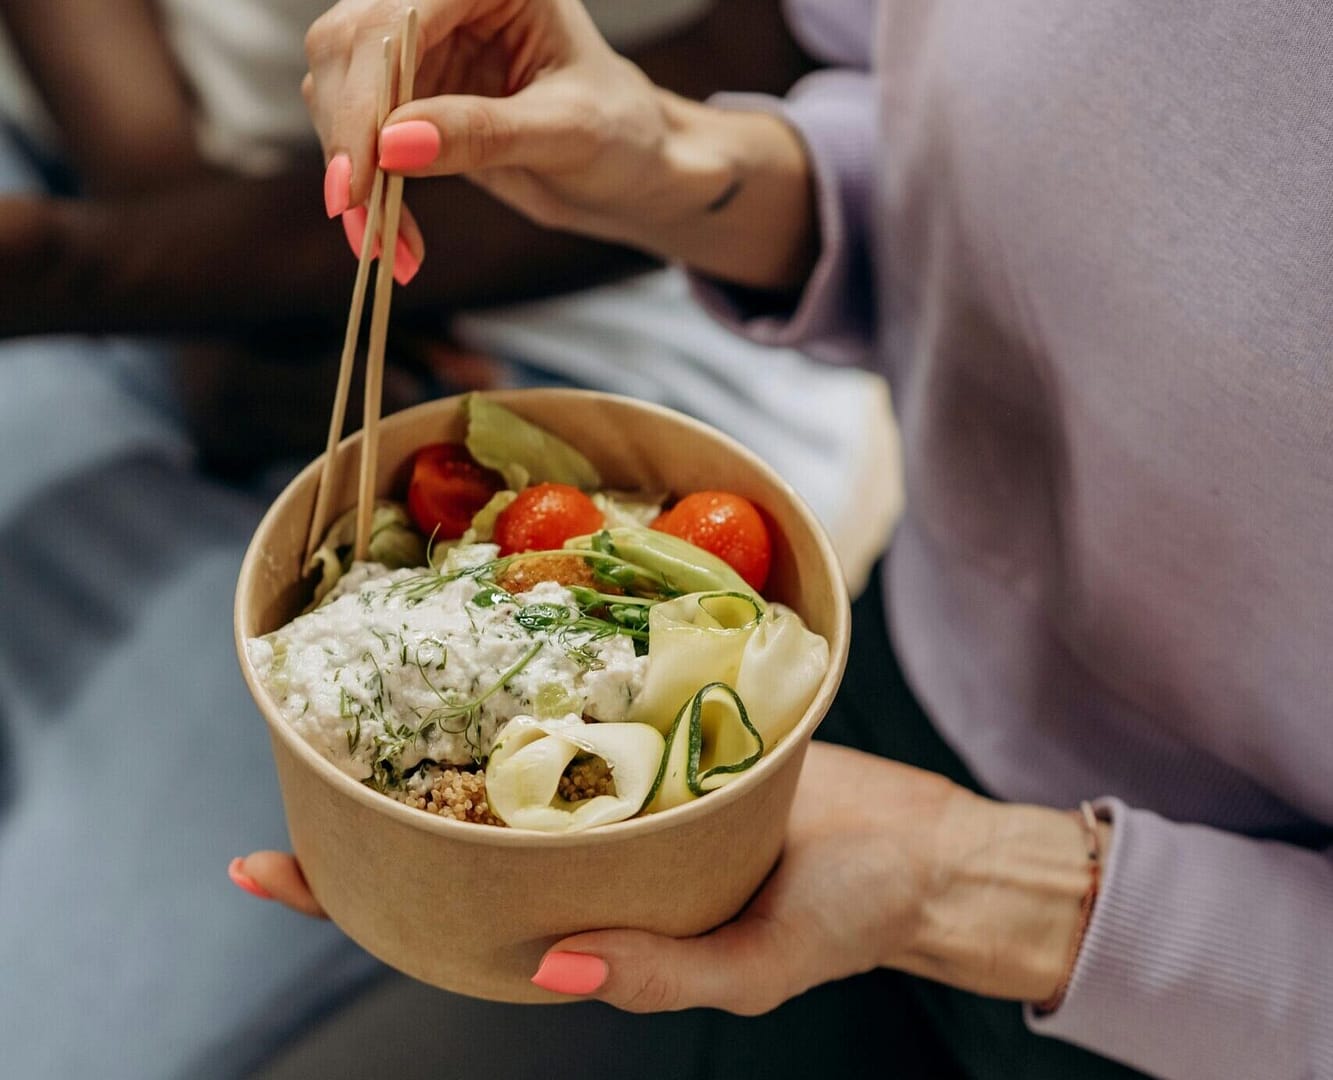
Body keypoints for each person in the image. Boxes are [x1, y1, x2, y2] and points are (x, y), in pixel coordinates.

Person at [236, 2, 1333, 1079]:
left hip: (1226, 984)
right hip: (871, 706)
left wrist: (968, 880)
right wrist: (677, 160)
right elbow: (942, 160)